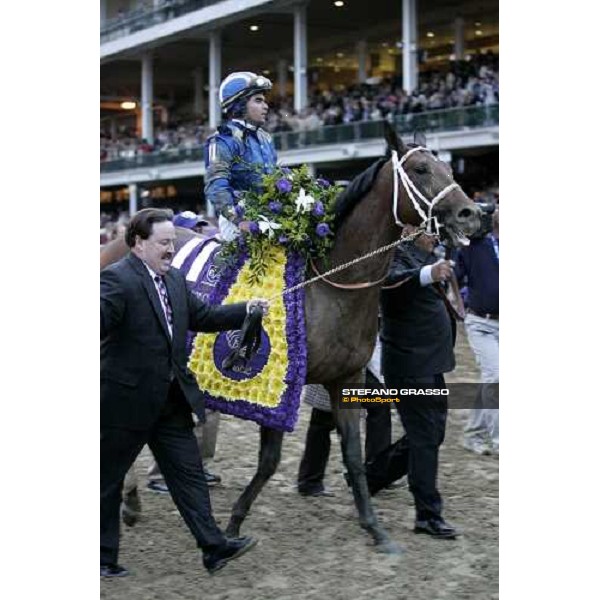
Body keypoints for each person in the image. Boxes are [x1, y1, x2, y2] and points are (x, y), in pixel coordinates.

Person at [101, 208, 269, 577]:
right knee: (106, 482)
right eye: (163, 243)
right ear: (139, 243)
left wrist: (247, 310)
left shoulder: (175, 280)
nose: (170, 250)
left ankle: (214, 548)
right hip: (123, 405)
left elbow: (204, 317)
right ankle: (102, 559)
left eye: (172, 243)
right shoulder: (116, 281)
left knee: (189, 475)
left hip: (169, 401)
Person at [366, 225, 460, 540]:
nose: (435, 235)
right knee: (425, 436)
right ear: (408, 229)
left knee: (432, 432)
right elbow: (387, 285)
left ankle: (368, 479)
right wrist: (428, 274)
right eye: (428, 229)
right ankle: (428, 514)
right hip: (407, 362)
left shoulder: (426, 254)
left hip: (430, 360)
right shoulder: (391, 253)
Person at [204, 71, 277, 241]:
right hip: (237, 223)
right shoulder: (222, 139)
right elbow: (216, 185)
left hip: (270, 217)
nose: (265, 106)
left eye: (264, 101)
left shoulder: (265, 138)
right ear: (240, 105)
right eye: (258, 101)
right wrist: (238, 219)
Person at [454, 207, 499, 455]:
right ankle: (499, 439)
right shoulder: (475, 244)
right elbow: (454, 275)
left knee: (491, 378)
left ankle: (473, 433)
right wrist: (457, 304)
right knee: (497, 377)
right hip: (481, 323)